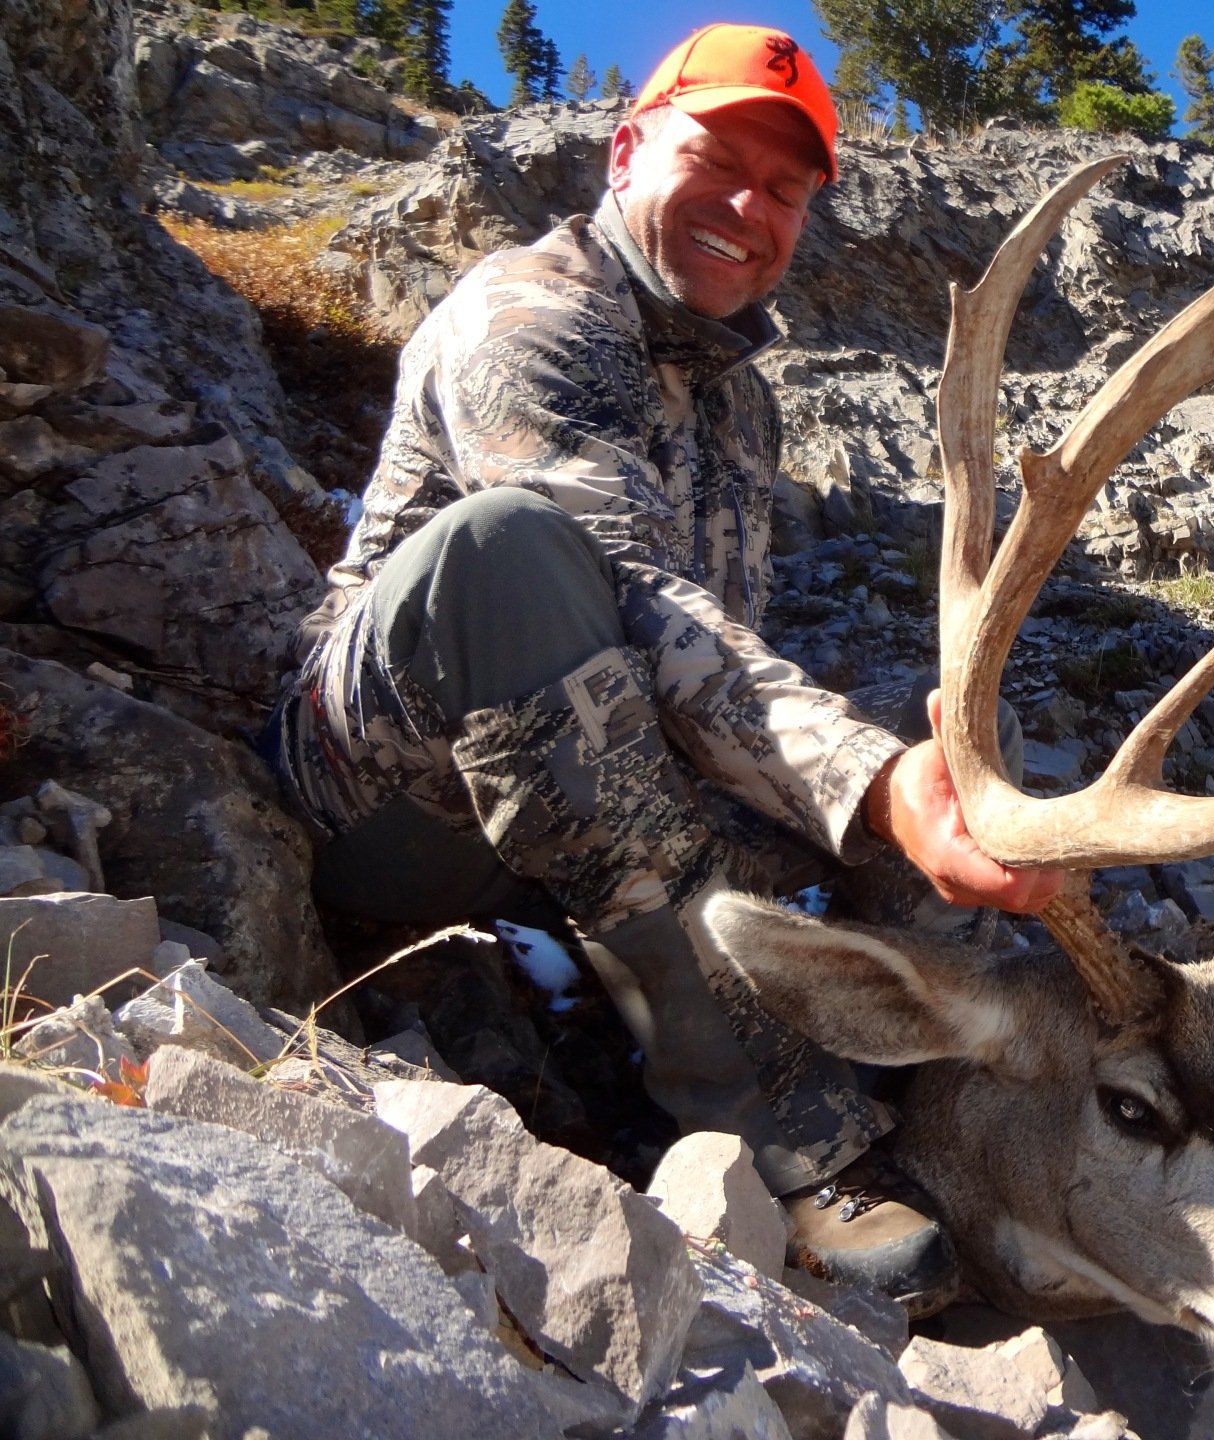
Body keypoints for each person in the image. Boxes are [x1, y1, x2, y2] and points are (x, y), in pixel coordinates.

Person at [267, 23, 1061, 1315]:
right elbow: (633, 596)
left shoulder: (740, 401)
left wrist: (913, 779)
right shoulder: (530, 313)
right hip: (386, 797)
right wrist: (865, 784)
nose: (751, 210)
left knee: (966, 747)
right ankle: (786, 1134)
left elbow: (715, 655)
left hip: (570, 788)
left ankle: (920, 1088)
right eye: (720, 163)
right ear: (627, 150)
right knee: (512, 549)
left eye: (786, 191)